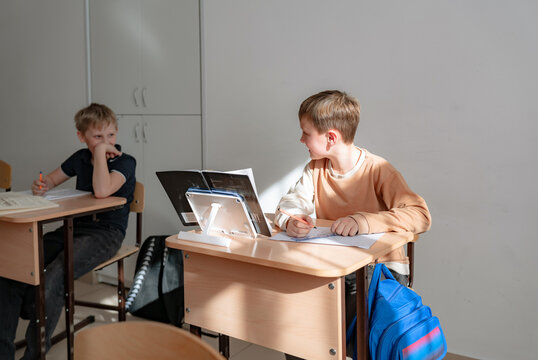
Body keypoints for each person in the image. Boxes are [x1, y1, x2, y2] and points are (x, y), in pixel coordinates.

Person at [274, 90, 431, 360]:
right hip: (337, 269)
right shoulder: (315, 169)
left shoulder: (378, 170)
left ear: (331, 137)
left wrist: (365, 220)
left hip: (378, 273)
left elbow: (420, 215)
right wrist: (291, 220)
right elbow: (289, 204)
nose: (301, 139)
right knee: (297, 325)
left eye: (306, 132)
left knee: (316, 320)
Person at [0, 103, 136, 359]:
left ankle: (35, 352)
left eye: (110, 136)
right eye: (97, 137)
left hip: (106, 234)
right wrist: (42, 185)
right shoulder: (78, 158)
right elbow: (51, 180)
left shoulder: (125, 162)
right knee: (12, 267)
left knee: (55, 274)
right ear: (81, 137)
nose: (105, 142)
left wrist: (99, 154)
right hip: (72, 228)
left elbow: (102, 191)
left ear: (117, 134)